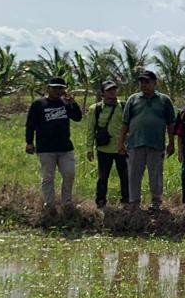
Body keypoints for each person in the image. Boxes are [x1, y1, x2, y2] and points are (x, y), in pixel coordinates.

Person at [117, 69, 176, 212]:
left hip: (156, 144)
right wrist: (121, 142)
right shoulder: (133, 99)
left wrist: (172, 143)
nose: (143, 84)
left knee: (155, 174)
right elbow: (125, 122)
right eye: (141, 82)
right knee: (134, 174)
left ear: (155, 83)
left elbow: (171, 123)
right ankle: (134, 202)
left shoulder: (164, 100)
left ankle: (156, 202)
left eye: (147, 82)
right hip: (135, 143)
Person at [25, 76, 82, 211]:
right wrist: (29, 142)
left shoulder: (65, 103)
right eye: (55, 88)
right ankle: (49, 205)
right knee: (48, 178)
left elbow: (78, 118)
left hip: (65, 147)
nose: (58, 90)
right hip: (45, 148)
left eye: (61, 88)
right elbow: (30, 124)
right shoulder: (38, 104)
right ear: (48, 88)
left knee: (69, 174)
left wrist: (73, 103)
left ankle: (66, 204)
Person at [86, 79, 128, 208]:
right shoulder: (96, 108)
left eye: (114, 90)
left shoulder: (124, 106)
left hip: (122, 149)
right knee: (103, 177)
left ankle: (126, 201)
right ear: (102, 93)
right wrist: (89, 148)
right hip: (104, 149)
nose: (112, 93)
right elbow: (91, 129)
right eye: (109, 90)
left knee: (125, 176)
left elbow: (129, 126)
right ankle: (100, 201)